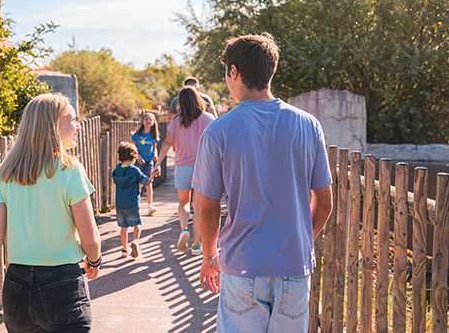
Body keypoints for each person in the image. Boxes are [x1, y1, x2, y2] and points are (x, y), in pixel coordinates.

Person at [193, 33, 333, 333]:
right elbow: (324, 202)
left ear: (233, 72)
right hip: (294, 268)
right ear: (272, 70)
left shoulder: (218, 131)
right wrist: (301, 240)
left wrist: (208, 255)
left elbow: (207, 207)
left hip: (243, 266)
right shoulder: (309, 125)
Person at [0, 93, 101, 332]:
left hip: (16, 289)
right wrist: (94, 260)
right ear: (53, 125)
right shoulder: (70, 170)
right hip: (62, 284)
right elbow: (90, 237)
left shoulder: (5, 174)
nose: (78, 126)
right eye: (72, 119)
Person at [153, 86, 214, 256]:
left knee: (183, 203)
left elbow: (166, 143)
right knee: (199, 207)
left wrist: (157, 164)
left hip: (181, 167)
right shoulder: (208, 118)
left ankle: (184, 229)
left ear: (181, 102)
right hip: (202, 168)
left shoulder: (176, 121)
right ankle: (196, 245)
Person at [112, 141, 159, 258]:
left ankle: (124, 249)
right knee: (137, 224)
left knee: (123, 228)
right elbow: (147, 182)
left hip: (120, 204)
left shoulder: (117, 170)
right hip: (132, 204)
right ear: (134, 157)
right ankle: (135, 241)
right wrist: (153, 175)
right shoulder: (134, 170)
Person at [132, 112, 160, 215]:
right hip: (139, 161)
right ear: (142, 121)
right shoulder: (137, 135)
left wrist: (155, 156)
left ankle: (149, 205)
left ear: (153, 122)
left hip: (149, 161)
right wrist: (138, 157)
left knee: (149, 182)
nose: (148, 121)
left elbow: (155, 148)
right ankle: (136, 205)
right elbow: (133, 148)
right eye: (146, 119)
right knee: (138, 183)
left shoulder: (153, 135)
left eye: (150, 119)